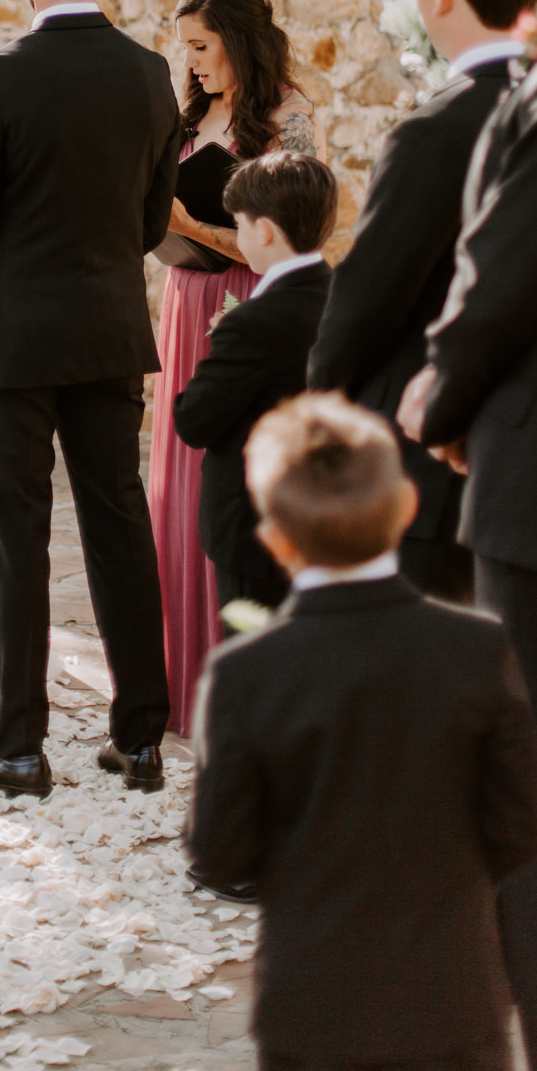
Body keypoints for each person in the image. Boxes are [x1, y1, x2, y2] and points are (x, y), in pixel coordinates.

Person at [187, 393, 537, 1071]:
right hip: (452, 993)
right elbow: (520, 820)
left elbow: (220, 853)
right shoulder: (475, 648)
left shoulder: (245, 673)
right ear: (406, 506)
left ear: (274, 539)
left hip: (311, 1000)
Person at [0, 0, 180, 799]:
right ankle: (141, 740)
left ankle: (22, 747)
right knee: (119, 530)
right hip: (110, 331)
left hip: (12, 342)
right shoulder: (151, 74)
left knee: (18, 539)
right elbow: (152, 223)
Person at [310, 0, 537, 599]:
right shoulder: (522, 102)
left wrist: (313, 403)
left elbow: (366, 300)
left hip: (426, 460)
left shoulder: (432, 132)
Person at [149, 0, 324, 732]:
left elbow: (291, 243)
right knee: (180, 485)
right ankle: (177, 674)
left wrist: (192, 229)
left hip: (249, 306)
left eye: (200, 46)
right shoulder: (190, 116)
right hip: (185, 304)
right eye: (183, 48)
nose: (189, 62)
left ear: (238, 41)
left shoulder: (289, 117)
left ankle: (243, 677)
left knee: (236, 479)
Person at [174, 153, 336, 618]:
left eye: (239, 224)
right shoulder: (341, 297)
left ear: (263, 230)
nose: (239, 236)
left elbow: (195, 420)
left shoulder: (254, 322)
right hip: (327, 513)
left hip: (255, 524)